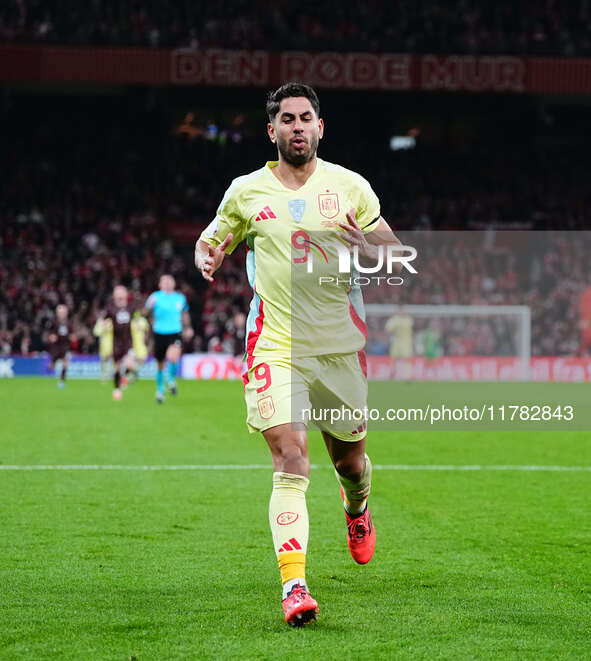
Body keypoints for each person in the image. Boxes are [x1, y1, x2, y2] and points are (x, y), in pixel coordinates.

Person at [194, 82, 402, 627]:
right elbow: (211, 238)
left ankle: (356, 508)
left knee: (350, 462)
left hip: (338, 347)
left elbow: (397, 255)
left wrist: (370, 250)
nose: (297, 127)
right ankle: (294, 586)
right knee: (291, 460)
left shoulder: (350, 186)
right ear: (272, 130)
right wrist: (208, 253)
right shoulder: (246, 190)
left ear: (320, 126)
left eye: (306, 118)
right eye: (286, 119)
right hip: (275, 344)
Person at [144, 274, 193, 403]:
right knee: (160, 364)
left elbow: (184, 314)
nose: (167, 283)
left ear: (174, 283)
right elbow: (144, 313)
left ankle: (171, 379)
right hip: (159, 333)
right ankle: (160, 390)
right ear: (159, 284)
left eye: (169, 281)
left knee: (173, 357)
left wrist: (187, 327)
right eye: (164, 281)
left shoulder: (180, 298)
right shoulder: (154, 297)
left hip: (175, 332)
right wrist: (149, 307)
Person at [103, 285, 135, 400]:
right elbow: (104, 320)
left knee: (130, 364)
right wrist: (104, 325)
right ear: (114, 295)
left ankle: (124, 378)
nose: (120, 295)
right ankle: (116, 389)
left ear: (126, 294)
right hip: (116, 342)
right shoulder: (111, 308)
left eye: (122, 292)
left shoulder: (131, 307)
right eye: (118, 292)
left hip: (128, 342)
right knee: (116, 367)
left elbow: (138, 318)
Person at [46, 304, 74, 388]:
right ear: (57, 313)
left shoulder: (69, 322)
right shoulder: (53, 322)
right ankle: (48, 374)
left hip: (65, 345)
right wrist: (51, 337)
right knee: (52, 365)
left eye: (64, 312)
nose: (62, 313)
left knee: (65, 363)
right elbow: (49, 333)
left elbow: (71, 333)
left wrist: (72, 337)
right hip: (56, 346)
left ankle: (62, 381)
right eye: (60, 312)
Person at [93, 316, 113, 383]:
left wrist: (105, 325)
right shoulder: (100, 322)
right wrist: (101, 325)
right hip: (103, 345)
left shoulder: (112, 321)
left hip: (111, 344)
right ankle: (103, 376)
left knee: (111, 360)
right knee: (103, 360)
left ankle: (110, 375)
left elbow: (112, 330)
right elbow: (96, 332)